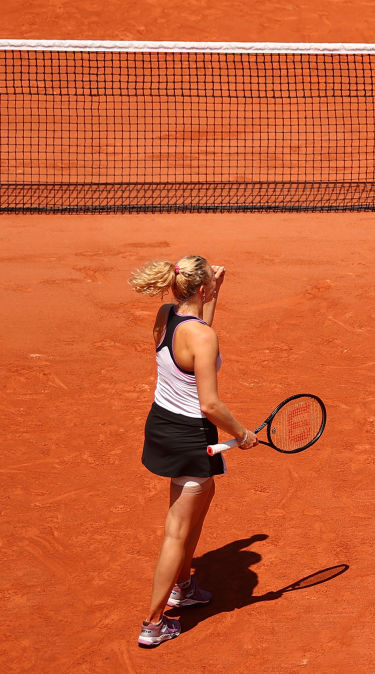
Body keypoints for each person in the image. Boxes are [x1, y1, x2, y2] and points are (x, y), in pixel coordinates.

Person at [129, 255, 258, 647]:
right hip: (191, 434)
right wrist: (242, 432)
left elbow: (198, 332)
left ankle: (183, 585)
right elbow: (210, 405)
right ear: (201, 289)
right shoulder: (202, 336)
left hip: (163, 427)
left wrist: (214, 291)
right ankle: (153, 624)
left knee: (202, 497)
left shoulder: (166, 315)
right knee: (177, 529)